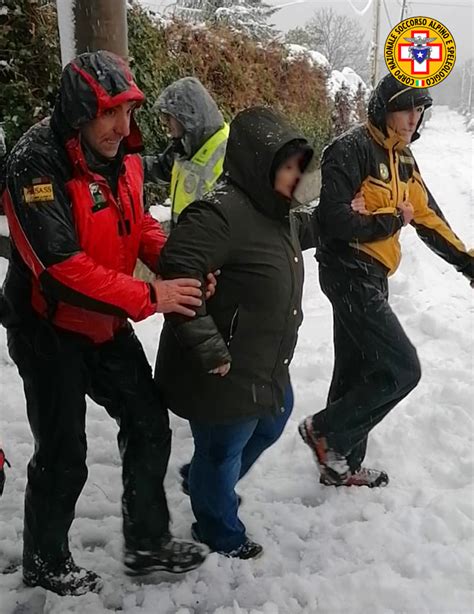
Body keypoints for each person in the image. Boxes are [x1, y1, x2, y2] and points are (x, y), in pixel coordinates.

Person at [1, 50, 209, 596]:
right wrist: (150, 295)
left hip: (106, 322)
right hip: (48, 330)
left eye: (130, 111)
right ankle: (45, 563)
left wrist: (178, 269)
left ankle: (147, 544)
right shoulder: (35, 164)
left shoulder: (127, 153)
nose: (124, 126)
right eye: (110, 113)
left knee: (149, 424)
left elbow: (137, 222)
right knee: (64, 454)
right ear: (77, 114)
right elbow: (60, 269)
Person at [298, 74, 474, 488]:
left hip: (374, 274)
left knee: (355, 367)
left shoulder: (405, 160)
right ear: (383, 108)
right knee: (401, 368)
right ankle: (325, 432)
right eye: (405, 108)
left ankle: (339, 464)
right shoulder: (350, 148)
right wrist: (392, 219)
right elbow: (335, 220)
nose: (413, 118)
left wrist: (467, 263)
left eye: (419, 109)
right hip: (347, 270)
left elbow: (429, 218)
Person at [154, 106, 314, 559]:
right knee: (223, 450)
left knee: (274, 418)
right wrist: (209, 347)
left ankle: (205, 483)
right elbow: (178, 268)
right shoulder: (218, 214)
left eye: (298, 167)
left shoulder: (276, 211)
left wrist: (359, 215)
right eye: (286, 167)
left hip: (260, 363)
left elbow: (310, 227)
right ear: (256, 164)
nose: (295, 176)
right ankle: (218, 529)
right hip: (221, 370)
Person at [143, 77, 229, 224]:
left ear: (187, 116)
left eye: (169, 118)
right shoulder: (187, 146)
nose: (166, 125)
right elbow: (162, 166)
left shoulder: (229, 154)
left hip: (209, 243)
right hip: (186, 240)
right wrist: (128, 166)